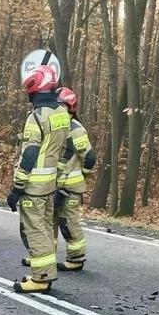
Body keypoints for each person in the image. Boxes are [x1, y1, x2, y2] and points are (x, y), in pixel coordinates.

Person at [7, 65, 69, 294]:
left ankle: (41, 278)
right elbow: (67, 149)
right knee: (45, 227)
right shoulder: (62, 113)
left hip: (34, 185)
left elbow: (30, 154)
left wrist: (17, 187)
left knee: (35, 230)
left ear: (34, 88)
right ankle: (45, 270)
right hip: (50, 184)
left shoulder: (36, 117)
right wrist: (59, 175)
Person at [53, 87, 97, 272]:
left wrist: (81, 175)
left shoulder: (75, 129)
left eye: (61, 105)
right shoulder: (57, 126)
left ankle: (76, 258)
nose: (57, 109)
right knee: (50, 221)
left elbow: (89, 157)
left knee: (68, 222)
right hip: (55, 185)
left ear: (70, 107)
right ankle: (44, 256)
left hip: (70, 187)